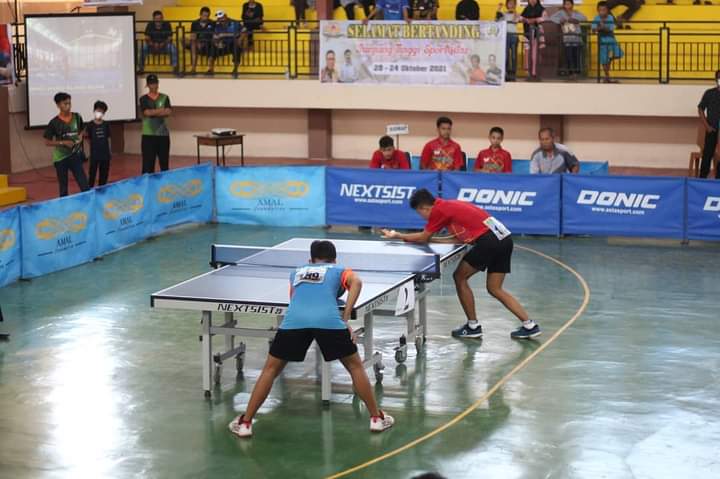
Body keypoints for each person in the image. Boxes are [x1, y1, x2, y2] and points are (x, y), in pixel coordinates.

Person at [228, 240, 395, 438]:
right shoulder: (339, 270)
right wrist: (345, 318)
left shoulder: (296, 273)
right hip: (329, 321)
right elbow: (356, 283)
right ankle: (376, 419)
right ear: (334, 259)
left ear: (310, 260)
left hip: (294, 321)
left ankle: (246, 423)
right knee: (355, 367)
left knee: (270, 370)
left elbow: (295, 298)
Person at [381, 189, 540, 340]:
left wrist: (398, 235)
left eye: (419, 212)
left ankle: (473, 326)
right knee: (495, 288)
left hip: (488, 241)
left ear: (424, 207)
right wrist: (431, 240)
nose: (421, 216)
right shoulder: (450, 206)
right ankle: (529, 325)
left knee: (459, 277)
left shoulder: (438, 211)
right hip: (504, 239)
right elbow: (456, 239)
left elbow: (423, 237)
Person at [43, 92, 90, 197]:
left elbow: (82, 130)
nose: (68, 106)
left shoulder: (77, 117)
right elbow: (47, 142)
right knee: (63, 187)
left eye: (69, 103)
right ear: (58, 105)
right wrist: (63, 142)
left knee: (84, 183)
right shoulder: (54, 122)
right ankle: (64, 205)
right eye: (65, 104)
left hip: (75, 155)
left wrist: (80, 137)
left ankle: (89, 202)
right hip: (61, 158)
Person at [139, 75, 172, 174]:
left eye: (155, 83)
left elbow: (168, 112)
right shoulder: (143, 99)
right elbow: (147, 113)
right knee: (148, 165)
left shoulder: (164, 97)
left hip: (163, 134)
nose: (154, 85)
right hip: (148, 135)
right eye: (151, 83)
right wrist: (161, 110)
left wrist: (153, 112)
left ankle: (165, 182)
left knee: (164, 164)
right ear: (148, 85)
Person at [551, 0, 587, 81]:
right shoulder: (561, 13)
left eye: (569, 4)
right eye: (566, 4)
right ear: (563, 5)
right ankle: (570, 74)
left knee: (576, 56)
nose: (567, 5)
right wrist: (560, 21)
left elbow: (584, 18)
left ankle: (576, 74)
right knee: (568, 56)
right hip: (567, 38)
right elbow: (552, 18)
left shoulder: (576, 12)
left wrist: (576, 20)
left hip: (576, 37)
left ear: (572, 5)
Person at [592, 1, 623, 83]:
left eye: (604, 10)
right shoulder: (596, 18)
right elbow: (593, 30)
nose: (602, 12)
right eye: (600, 10)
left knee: (618, 54)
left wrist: (602, 27)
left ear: (607, 10)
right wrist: (599, 28)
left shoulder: (610, 17)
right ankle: (607, 76)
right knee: (604, 59)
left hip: (611, 39)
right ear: (597, 10)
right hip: (602, 41)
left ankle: (609, 60)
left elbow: (610, 28)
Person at [697, 70, 720, 179]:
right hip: (712, 130)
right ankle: (702, 180)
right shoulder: (709, 93)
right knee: (707, 155)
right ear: (716, 79)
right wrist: (707, 126)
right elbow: (700, 109)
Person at [209, 11, 245, 78]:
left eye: (222, 18)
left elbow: (244, 31)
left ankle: (235, 69)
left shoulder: (235, 23)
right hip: (223, 44)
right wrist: (217, 43)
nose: (221, 20)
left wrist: (240, 39)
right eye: (219, 18)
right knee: (212, 48)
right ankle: (210, 69)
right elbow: (215, 36)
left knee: (236, 48)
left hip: (233, 43)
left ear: (226, 16)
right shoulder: (217, 25)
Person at [84, 100, 112, 187]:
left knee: (104, 174)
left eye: (102, 111)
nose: (100, 113)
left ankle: (102, 189)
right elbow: (86, 137)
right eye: (98, 110)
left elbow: (108, 138)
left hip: (105, 154)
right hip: (94, 154)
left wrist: (110, 151)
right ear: (94, 111)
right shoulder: (90, 125)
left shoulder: (106, 124)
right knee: (92, 174)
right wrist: (91, 147)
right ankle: (90, 189)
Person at [521, 0, 547, 82]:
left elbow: (545, 18)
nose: (532, 0)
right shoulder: (526, 9)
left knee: (536, 54)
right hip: (528, 33)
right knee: (527, 53)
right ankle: (528, 73)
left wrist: (535, 20)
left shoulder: (542, 9)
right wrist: (526, 20)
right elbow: (520, 18)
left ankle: (535, 73)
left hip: (537, 34)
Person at [186, 7, 215, 75]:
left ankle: (211, 69)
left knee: (213, 46)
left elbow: (214, 35)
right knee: (192, 43)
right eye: (204, 15)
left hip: (209, 43)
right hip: (197, 43)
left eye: (207, 16)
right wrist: (198, 42)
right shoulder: (195, 23)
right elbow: (193, 35)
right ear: (200, 15)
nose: (205, 17)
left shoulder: (212, 23)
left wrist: (205, 42)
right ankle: (193, 69)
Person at [496, 0, 520, 81]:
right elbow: (497, 20)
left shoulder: (517, 13)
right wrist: (499, 9)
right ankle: (505, 73)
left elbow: (515, 21)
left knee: (513, 56)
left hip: (514, 36)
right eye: (509, 3)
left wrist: (514, 11)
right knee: (505, 55)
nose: (511, 5)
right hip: (505, 35)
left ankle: (513, 73)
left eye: (513, 3)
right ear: (507, 4)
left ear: (515, 5)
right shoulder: (504, 14)